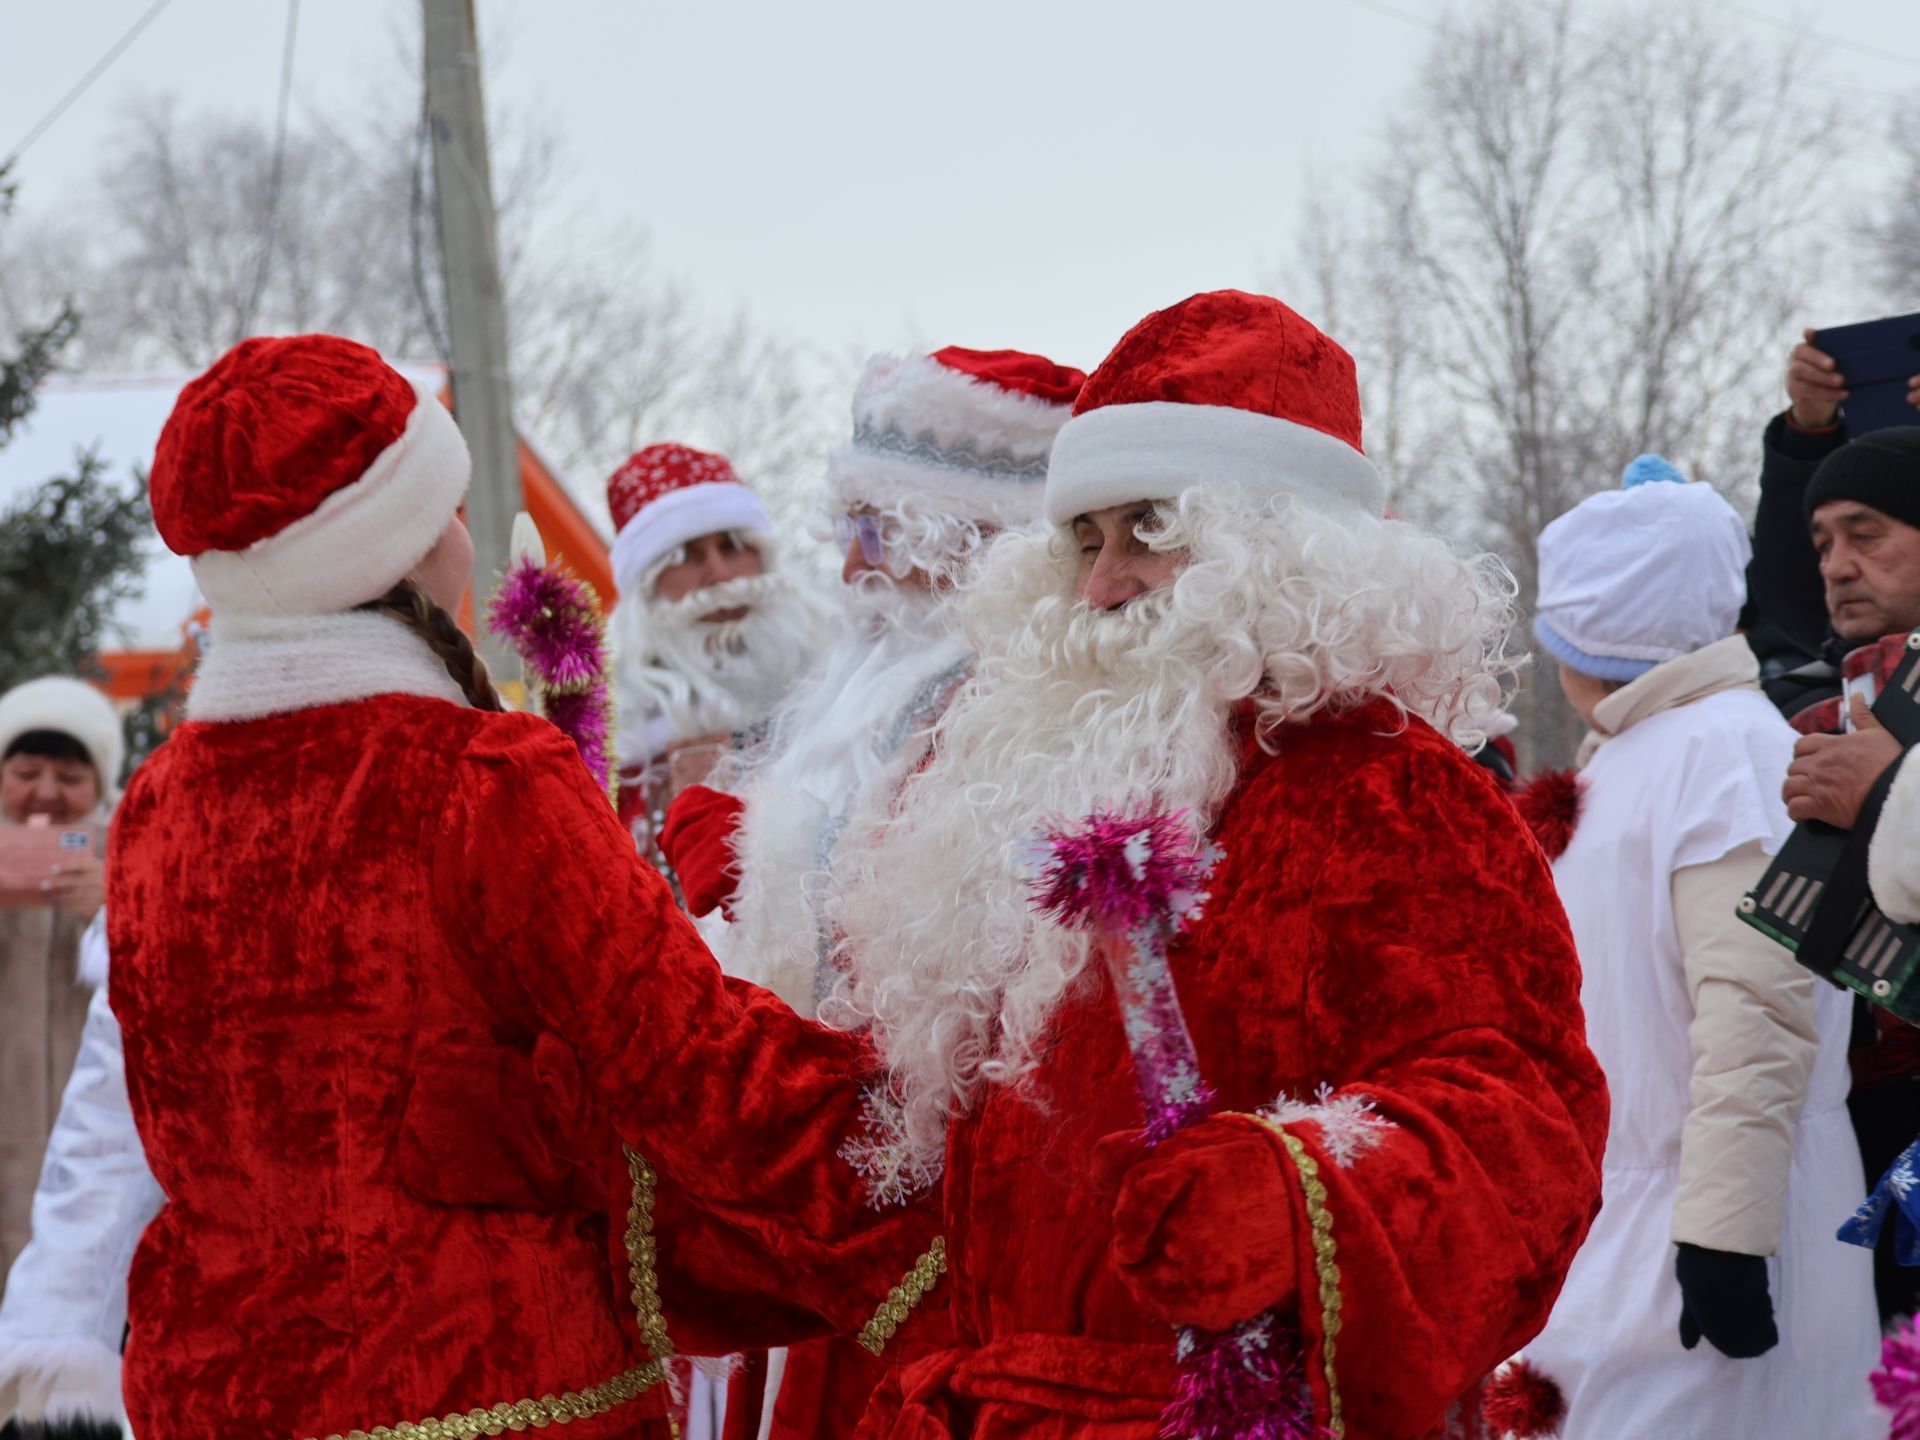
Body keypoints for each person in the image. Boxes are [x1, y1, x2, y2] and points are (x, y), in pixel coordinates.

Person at [801, 290, 1607, 1438]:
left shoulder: (1390, 789)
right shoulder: (1040, 784)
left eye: (1151, 531)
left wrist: (1293, 1191)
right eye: (1085, 537)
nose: (1103, 583)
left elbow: (1519, 1119)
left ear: (1283, 550)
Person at [104, 335, 936, 1440]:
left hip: (212, 1389)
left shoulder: (155, 803)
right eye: (448, 509)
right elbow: (692, 1061)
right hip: (483, 1381)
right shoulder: (480, 777)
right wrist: (929, 1161)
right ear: (402, 543)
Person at [661, 344, 1084, 1439]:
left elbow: (945, 954)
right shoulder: (883, 681)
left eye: (876, 527)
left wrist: (756, 869)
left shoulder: (1007, 701)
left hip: (930, 1220)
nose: (849, 564)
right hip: (833, 1204)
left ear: (963, 536)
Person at [1515, 462, 1878, 1438]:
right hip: (1637, 1219)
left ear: (1585, 639)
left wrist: (1722, 1240)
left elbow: (1759, 1007)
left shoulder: (1722, 757)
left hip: (1716, 1222)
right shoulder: (1651, 751)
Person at [605, 443, 831, 867]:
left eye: (731, 547)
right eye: (687, 557)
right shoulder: (620, 750)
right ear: (649, 587)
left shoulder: (836, 683)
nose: (720, 574)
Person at [0, 677, 119, 1297]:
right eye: (26, 771)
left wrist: (116, 912)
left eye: (70, 776)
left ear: (100, 786)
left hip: (96, 1172)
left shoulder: (138, 857)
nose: (46, 792)